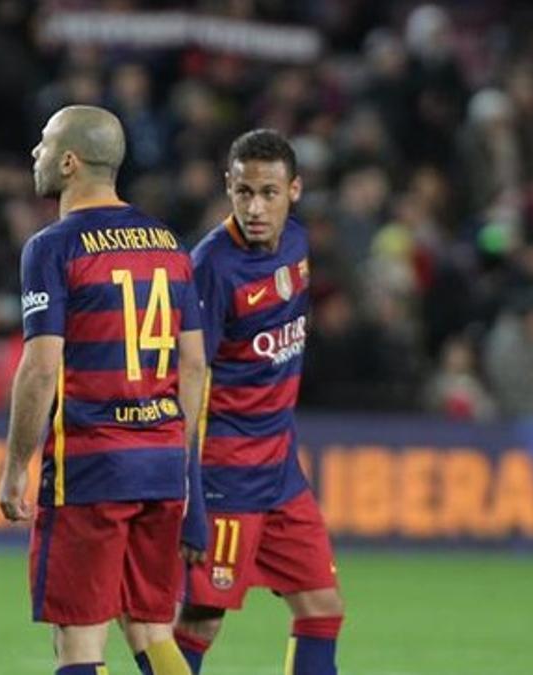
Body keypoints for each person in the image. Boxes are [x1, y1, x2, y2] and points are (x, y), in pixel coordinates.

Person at [0, 105, 207, 675]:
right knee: (150, 626)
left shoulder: (53, 247)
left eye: (43, 145)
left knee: (80, 640)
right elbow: (193, 365)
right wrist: (176, 451)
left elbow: (41, 367)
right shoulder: (167, 243)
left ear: (69, 162)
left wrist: (17, 464)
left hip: (92, 464)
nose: (34, 155)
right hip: (162, 461)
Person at [173, 129, 345, 675]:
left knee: (322, 609)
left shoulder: (297, 243)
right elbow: (190, 381)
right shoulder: (210, 269)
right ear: (228, 187)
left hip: (281, 471)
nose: (255, 207)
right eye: (244, 191)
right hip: (227, 475)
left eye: (268, 193)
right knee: (201, 620)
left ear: (294, 190)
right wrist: (192, 501)